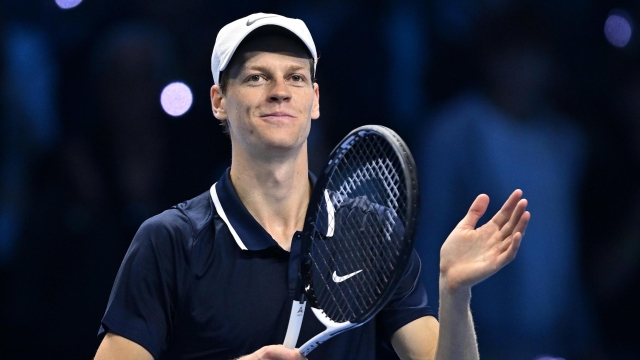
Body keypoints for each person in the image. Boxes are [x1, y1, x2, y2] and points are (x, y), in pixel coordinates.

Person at [94, 13, 530, 360]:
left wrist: (454, 292)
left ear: (315, 100)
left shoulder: (371, 232)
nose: (280, 91)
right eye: (256, 77)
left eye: (296, 77)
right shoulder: (169, 240)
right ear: (218, 101)